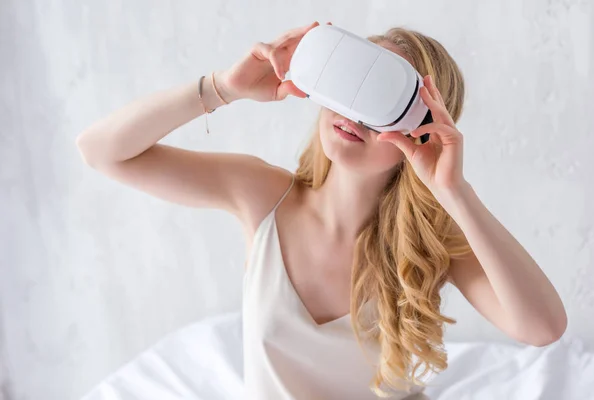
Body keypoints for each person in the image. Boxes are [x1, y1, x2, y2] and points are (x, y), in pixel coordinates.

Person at [76, 21, 568, 399]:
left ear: (423, 129)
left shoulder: (428, 246)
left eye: (384, 104)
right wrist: (222, 88)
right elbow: (100, 151)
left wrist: (453, 190)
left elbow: (543, 329)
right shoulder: (262, 195)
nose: (356, 115)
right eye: (353, 85)